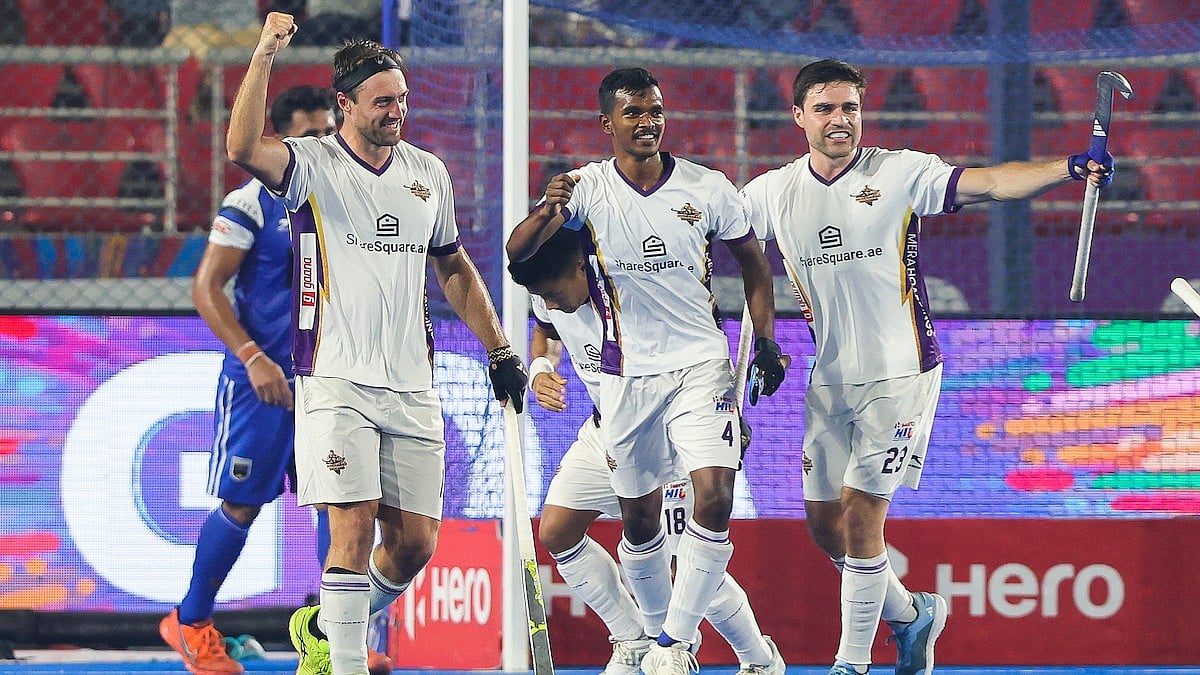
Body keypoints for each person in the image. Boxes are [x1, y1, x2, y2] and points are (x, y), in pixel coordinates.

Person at [739, 58, 1116, 675]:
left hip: (903, 372)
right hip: (829, 377)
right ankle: (913, 615)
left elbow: (992, 183)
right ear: (798, 116)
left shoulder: (900, 172)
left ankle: (851, 663)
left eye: (851, 108)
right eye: (827, 109)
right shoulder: (770, 192)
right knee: (824, 527)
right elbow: (710, 233)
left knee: (863, 515)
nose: (841, 120)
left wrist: (1068, 168)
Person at [225, 13, 527, 675]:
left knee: (415, 543)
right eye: (383, 101)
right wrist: (263, 54)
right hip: (334, 381)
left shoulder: (428, 173)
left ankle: (327, 631)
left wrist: (500, 348)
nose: (398, 111)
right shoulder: (310, 165)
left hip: (411, 384)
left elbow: (451, 264)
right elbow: (242, 145)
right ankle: (346, 663)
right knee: (353, 527)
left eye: (404, 99)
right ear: (345, 105)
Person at [507, 67, 787, 675]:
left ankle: (677, 646)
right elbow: (519, 254)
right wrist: (537, 366)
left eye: (654, 111)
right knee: (630, 530)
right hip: (628, 389)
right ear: (607, 124)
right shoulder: (581, 196)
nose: (647, 122)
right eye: (633, 113)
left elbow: (755, 267)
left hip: (700, 369)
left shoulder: (708, 188)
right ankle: (645, 638)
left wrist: (763, 340)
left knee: (713, 502)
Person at [158, 84, 340, 675]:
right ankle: (190, 622)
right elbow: (207, 286)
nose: (323, 142)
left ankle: (331, 640)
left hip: (331, 382)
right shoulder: (252, 201)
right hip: (263, 382)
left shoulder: (349, 198)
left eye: (329, 130)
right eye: (310, 134)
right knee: (240, 505)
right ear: (281, 140)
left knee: (334, 506)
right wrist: (252, 356)